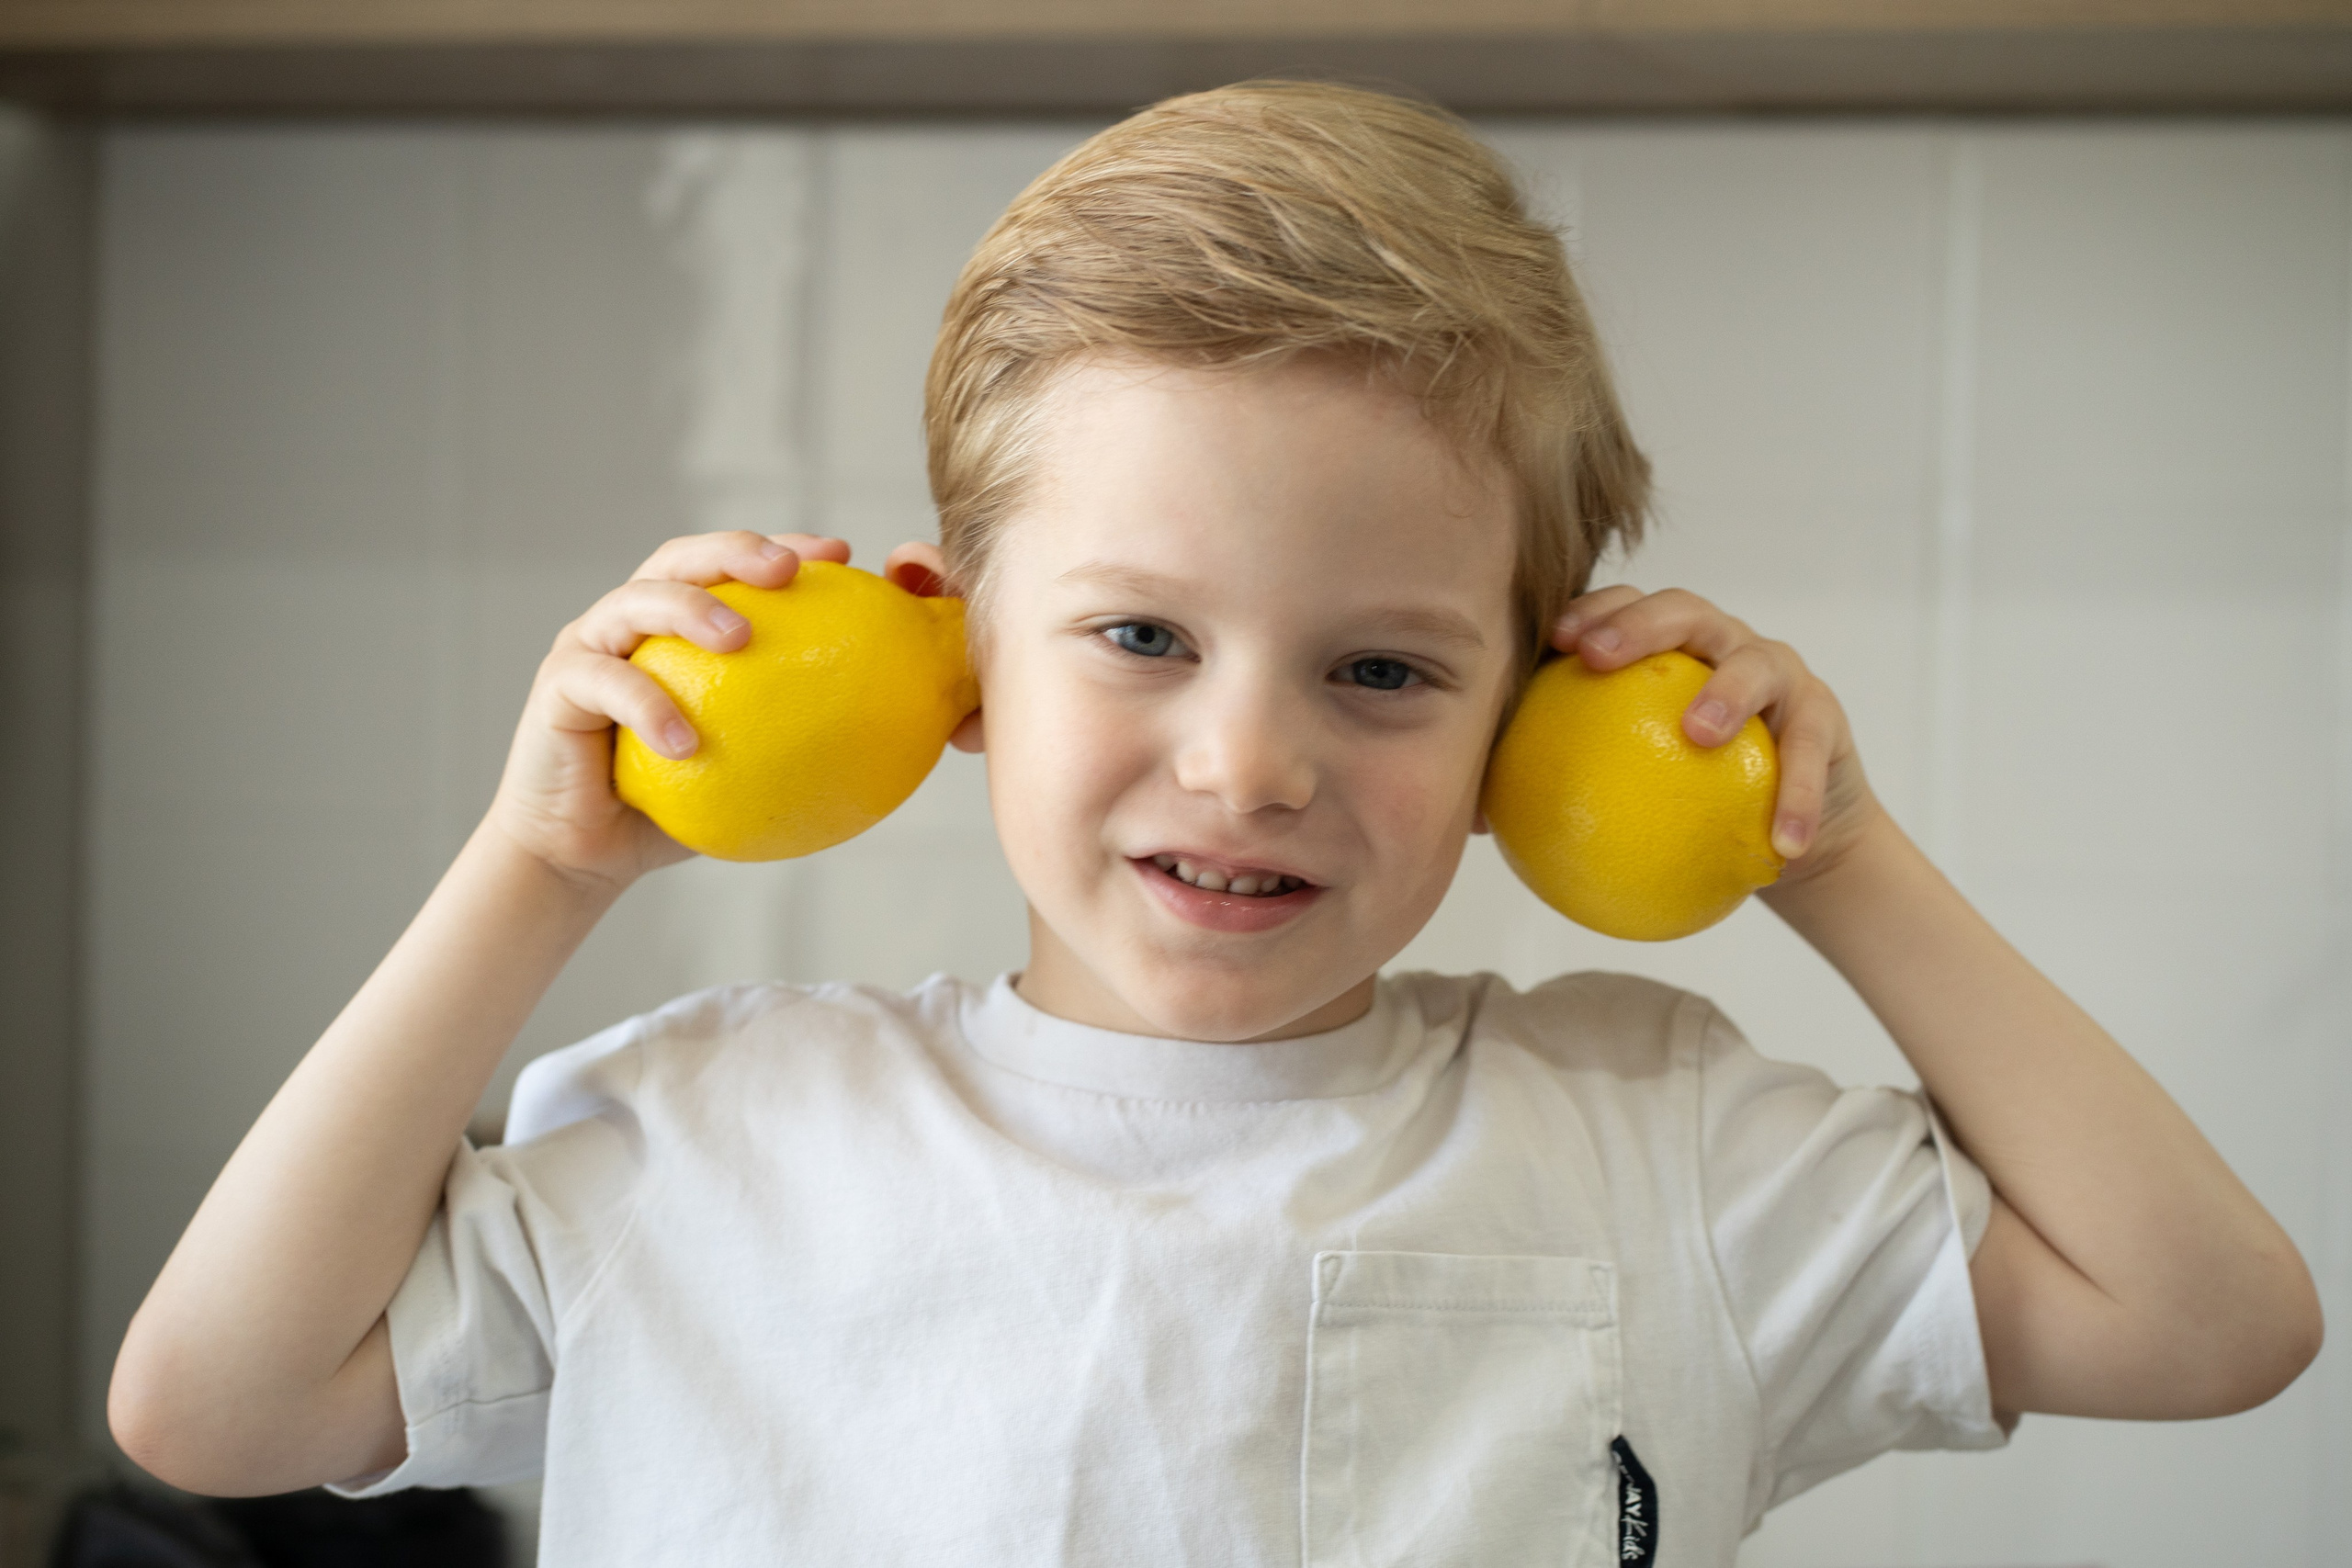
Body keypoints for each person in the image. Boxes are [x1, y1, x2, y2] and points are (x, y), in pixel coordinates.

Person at [108, 82, 2320, 1565]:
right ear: (960, 658)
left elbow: (2208, 1317)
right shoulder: (706, 1132)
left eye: (1380, 669)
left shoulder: (1659, 1140)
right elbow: (216, 1406)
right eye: (1141, 634)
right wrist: (538, 870)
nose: (1246, 763)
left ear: (1529, 714)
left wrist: (1821, 849)